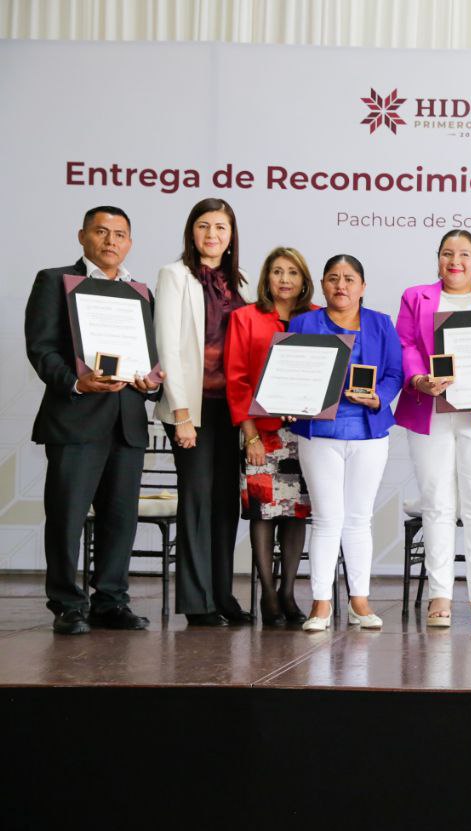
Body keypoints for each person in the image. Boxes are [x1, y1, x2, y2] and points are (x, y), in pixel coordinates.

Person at [24, 206, 162, 634]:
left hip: (127, 421)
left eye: (119, 234)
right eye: (101, 232)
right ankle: (67, 604)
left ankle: (110, 601)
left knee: (120, 520)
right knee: (67, 517)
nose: (110, 241)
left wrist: (151, 382)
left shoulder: (141, 293)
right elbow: (41, 347)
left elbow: (150, 355)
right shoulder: (55, 281)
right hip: (75, 419)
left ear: (130, 243)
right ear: (82, 236)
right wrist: (76, 382)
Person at [395, 230, 471, 630]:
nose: (455, 261)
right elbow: (406, 345)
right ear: (438, 258)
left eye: (463, 254)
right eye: (447, 253)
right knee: (438, 503)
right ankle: (439, 592)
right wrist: (419, 379)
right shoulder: (416, 297)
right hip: (431, 410)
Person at [154, 197, 257, 627]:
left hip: (228, 411)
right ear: (191, 232)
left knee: (225, 505)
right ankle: (197, 604)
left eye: (220, 227)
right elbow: (168, 347)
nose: (212, 234)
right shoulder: (174, 275)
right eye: (203, 226)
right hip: (191, 410)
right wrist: (181, 414)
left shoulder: (238, 284)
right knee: (197, 502)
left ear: (231, 237)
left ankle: (222, 595)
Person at [288, 255, 403, 632]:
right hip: (321, 433)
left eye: (349, 279)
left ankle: (359, 602)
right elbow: (292, 372)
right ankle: (320, 604)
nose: (341, 285)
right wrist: (288, 399)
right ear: (323, 284)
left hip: (369, 433)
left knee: (358, 519)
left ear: (362, 286)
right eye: (333, 278)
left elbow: (395, 373)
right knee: (326, 519)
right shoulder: (304, 323)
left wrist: (379, 397)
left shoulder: (381, 323)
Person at [225, 247, 317, 626]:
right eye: (277, 271)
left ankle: (288, 593)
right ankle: (267, 594)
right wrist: (250, 435)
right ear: (266, 278)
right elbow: (236, 379)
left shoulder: (317, 318)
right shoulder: (245, 318)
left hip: (306, 434)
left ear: (304, 279)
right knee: (263, 513)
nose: (284, 279)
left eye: (292, 272)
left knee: (296, 513)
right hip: (262, 435)